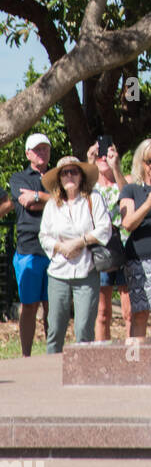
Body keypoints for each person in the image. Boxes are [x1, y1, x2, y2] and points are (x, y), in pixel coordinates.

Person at [39, 156, 111, 352]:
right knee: (55, 328)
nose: (69, 176)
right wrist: (61, 247)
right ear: (59, 179)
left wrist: (79, 242)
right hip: (58, 273)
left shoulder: (93, 199)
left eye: (74, 172)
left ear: (81, 176)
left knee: (84, 329)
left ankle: (83, 375)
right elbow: (43, 236)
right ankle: (50, 372)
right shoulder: (52, 205)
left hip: (86, 271)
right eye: (65, 172)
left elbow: (105, 229)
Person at [8, 133, 52, 355]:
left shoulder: (58, 176)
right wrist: (54, 199)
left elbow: (67, 200)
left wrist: (38, 197)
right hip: (29, 250)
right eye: (37, 149)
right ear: (28, 154)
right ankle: (26, 356)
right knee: (29, 306)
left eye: (45, 148)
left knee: (52, 306)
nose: (42, 153)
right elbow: (28, 204)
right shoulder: (18, 178)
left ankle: (55, 354)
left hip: (55, 248)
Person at [87, 138, 131, 341]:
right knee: (102, 312)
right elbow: (79, 198)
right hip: (101, 250)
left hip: (126, 248)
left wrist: (116, 168)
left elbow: (128, 195)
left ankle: (133, 355)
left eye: (108, 152)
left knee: (129, 311)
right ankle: (101, 357)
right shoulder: (90, 185)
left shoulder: (125, 179)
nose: (104, 157)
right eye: (100, 153)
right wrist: (89, 163)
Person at [119, 139, 151, 340]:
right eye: (149, 161)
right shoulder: (131, 189)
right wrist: (149, 202)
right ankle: (137, 360)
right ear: (141, 162)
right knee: (140, 314)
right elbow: (127, 223)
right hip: (139, 260)